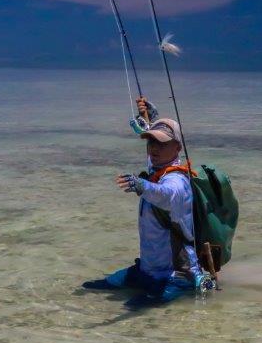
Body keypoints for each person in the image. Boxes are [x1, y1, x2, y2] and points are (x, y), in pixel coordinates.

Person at [81, 99, 212, 310]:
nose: (154, 148)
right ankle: (143, 275)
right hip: (148, 268)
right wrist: (151, 116)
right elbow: (153, 155)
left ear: (178, 147)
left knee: (132, 307)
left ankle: (186, 285)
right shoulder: (157, 168)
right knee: (98, 285)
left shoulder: (177, 182)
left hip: (175, 274)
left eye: (161, 143)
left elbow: (165, 195)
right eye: (151, 143)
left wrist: (141, 185)